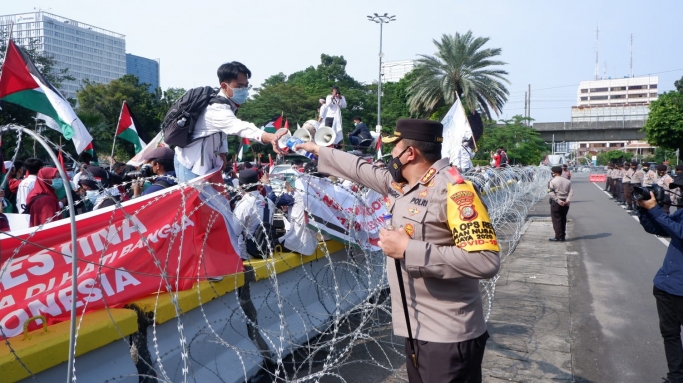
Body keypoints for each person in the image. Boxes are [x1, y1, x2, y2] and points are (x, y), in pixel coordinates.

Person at [296, 119, 500, 382]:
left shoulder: (455, 190)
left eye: (394, 148)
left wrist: (408, 249)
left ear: (409, 153)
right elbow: (360, 170)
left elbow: (485, 261)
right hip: (417, 330)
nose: (390, 155)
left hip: (448, 336)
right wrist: (318, 150)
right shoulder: (402, 185)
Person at [173, 62, 287, 182]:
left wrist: (222, 153)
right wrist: (268, 137)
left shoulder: (227, 103)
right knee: (193, 201)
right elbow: (239, 126)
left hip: (205, 164)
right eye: (239, 86)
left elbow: (222, 131)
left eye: (246, 86)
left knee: (219, 200)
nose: (244, 90)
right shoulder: (216, 108)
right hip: (190, 165)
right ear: (224, 86)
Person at [636, 177, 683, 383]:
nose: (680, 193)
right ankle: (676, 377)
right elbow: (658, 229)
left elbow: (680, 232)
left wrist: (654, 208)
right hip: (666, 285)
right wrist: (643, 209)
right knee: (670, 336)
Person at [548, 165, 573, 242]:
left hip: (556, 202)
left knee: (556, 219)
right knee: (563, 218)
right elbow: (571, 191)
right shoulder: (567, 181)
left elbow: (550, 192)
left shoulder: (552, 181)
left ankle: (558, 236)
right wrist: (568, 200)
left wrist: (558, 200)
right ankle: (562, 236)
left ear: (555, 173)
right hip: (565, 202)